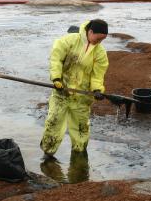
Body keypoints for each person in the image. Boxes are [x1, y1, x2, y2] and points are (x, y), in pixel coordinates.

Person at [40, 19, 109, 156]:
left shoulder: (100, 52)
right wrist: (56, 78)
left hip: (82, 96)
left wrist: (97, 90)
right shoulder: (69, 40)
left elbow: (97, 75)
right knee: (54, 121)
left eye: (103, 39)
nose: (99, 41)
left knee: (81, 127)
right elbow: (56, 59)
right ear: (90, 32)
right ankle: (48, 153)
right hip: (62, 90)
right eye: (98, 37)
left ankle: (79, 154)